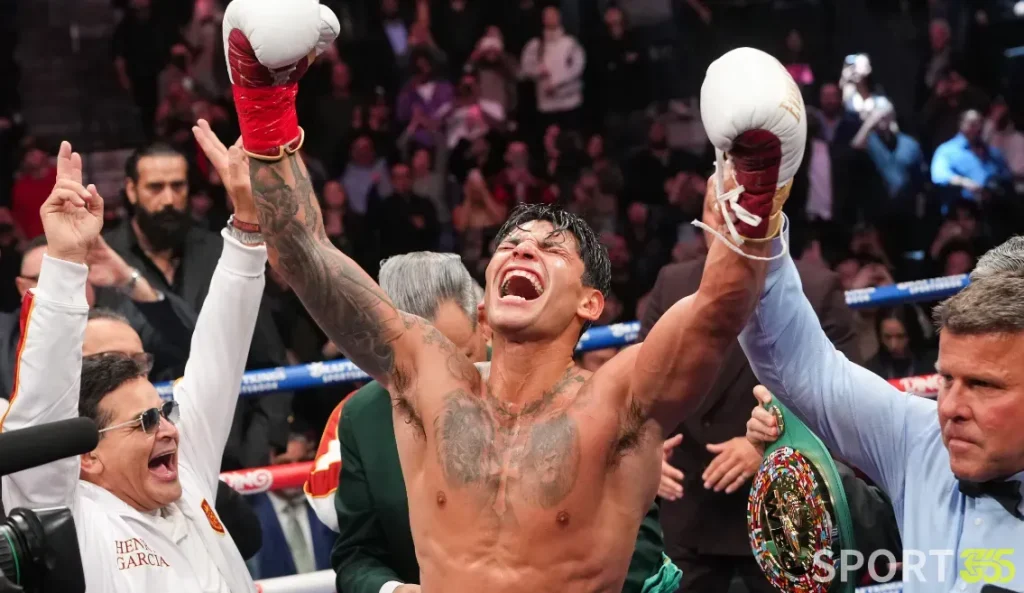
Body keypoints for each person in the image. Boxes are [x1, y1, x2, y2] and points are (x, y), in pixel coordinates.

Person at [225, 10, 802, 590]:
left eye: (551, 249)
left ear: (591, 304)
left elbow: (717, 311)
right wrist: (264, 106)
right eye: (510, 244)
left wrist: (755, 190)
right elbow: (305, 257)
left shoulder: (617, 401)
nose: (523, 249)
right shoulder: (427, 378)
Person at [308, 251, 670, 593]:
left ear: (483, 324)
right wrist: (396, 591)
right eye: (422, 364)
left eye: (459, 355)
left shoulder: (569, 392)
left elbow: (641, 545)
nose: (444, 379)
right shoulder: (359, 417)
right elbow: (357, 555)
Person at [0, 138, 266, 591]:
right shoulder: (75, 522)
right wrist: (66, 262)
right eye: (144, 421)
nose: (169, 430)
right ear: (87, 456)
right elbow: (42, 415)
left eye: (162, 413)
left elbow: (220, 352)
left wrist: (247, 223)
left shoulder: (187, 474)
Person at [737, 226, 1024, 588]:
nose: (951, 408)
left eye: (983, 385)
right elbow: (802, 368)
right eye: (947, 379)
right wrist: (755, 230)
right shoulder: (923, 440)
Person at [640, 237, 859, 593]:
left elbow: (845, 396)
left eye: (735, 213)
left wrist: (771, 449)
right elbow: (642, 380)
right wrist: (645, 448)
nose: (724, 223)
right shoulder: (673, 281)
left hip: (785, 510)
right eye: (714, 212)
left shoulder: (817, 287)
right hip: (689, 502)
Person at [105, 139, 293, 470]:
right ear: (131, 191)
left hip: (228, 449)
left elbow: (266, 352)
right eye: (155, 187)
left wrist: (262, 443)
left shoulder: (221, 251)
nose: (168, 199)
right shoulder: (106, 261)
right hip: (134, 453)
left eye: (177, 186)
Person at [931, 109, 1013, 201]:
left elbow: (1007, 177)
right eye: (972, 124)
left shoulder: (993, 152)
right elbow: (939, 176)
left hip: (993, 204)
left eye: (980, 124)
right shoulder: (946, 150)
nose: (977, 128)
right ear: (962, 124)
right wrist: (964, 182)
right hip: (961, 205)